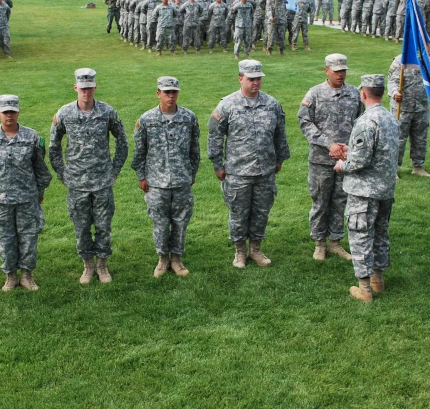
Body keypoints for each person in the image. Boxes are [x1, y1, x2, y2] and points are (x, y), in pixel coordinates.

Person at [208, 60, 290, 268]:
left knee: (261, 212)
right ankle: (239, 252)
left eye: (258, 79)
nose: (256, 83)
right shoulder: (227, 105)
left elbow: (280, 134)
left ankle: (255, 249)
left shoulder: (272, 104)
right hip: (238, 171)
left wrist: (279, 158)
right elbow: (214, 136)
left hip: (265, 171)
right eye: (251, 79)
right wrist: (218, 165)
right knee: (238, 213)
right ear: (240, 78)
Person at [49, 69, 128, 284]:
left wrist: (115, 169)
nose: (86, 92)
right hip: (76, 182)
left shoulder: (107, 112)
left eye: (90, 88)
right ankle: (88, 265)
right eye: (82, 88)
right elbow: (53, 146)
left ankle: (102, 265)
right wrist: (62, 172)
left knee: (103, 225)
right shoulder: (64, 114)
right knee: (81, 226)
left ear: (95, 88)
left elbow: (122, 141)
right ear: (76, 88)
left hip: (102, 180)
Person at [0, 95, 52, 292]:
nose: (9, 115)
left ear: (18, 112)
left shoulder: (32, 137)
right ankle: (10, 276)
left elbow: (41, 169)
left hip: (27, 198)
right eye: (5, 112)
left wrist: (40, 192)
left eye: (12, 111)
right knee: (6, 239)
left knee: (28, 238)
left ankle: (27, 276)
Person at [334, 74, 399, 303]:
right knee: (380, 234)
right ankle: (377, 280)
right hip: (385, 189)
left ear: (363, 93)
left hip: (364, 191)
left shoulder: (366, 121)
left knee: (360, 235)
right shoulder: (391, 118)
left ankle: (364, 289)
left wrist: (342, 164)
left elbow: (359, 162)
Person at [131, 76, 200, 278]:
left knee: (180, 221)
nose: (170, 96)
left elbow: (194, 150)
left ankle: (177, 259)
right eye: (166, 92)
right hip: (156, 182)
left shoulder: (189, 118)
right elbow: (139, 152)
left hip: (181, 181)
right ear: (158, 93)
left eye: (174, 92)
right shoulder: (146, 120)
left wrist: (191, 173)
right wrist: (141, 176)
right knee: (160, 223)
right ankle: (162, 259)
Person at [298, 54, 362, 261]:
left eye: (343, 71)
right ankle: (319, 243)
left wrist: (350, 148)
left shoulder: (354, 93)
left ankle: (335, 242)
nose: (341, 75)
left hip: (345, 159)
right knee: (320, 201)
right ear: (326, 71)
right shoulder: (315, 94)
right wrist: (329, 144)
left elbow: (361, 123)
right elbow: (305, 123)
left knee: (340, 201)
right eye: (336, 71)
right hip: (321, 160)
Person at [388, 55, 430, 177]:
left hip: (421, 107)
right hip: (402, 108)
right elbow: (392, 81)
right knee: (398, 139)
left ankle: (418, 167)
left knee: (420, 139)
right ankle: (393, 169)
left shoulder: (427, 59)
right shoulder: (401, 59)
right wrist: (395, 93)